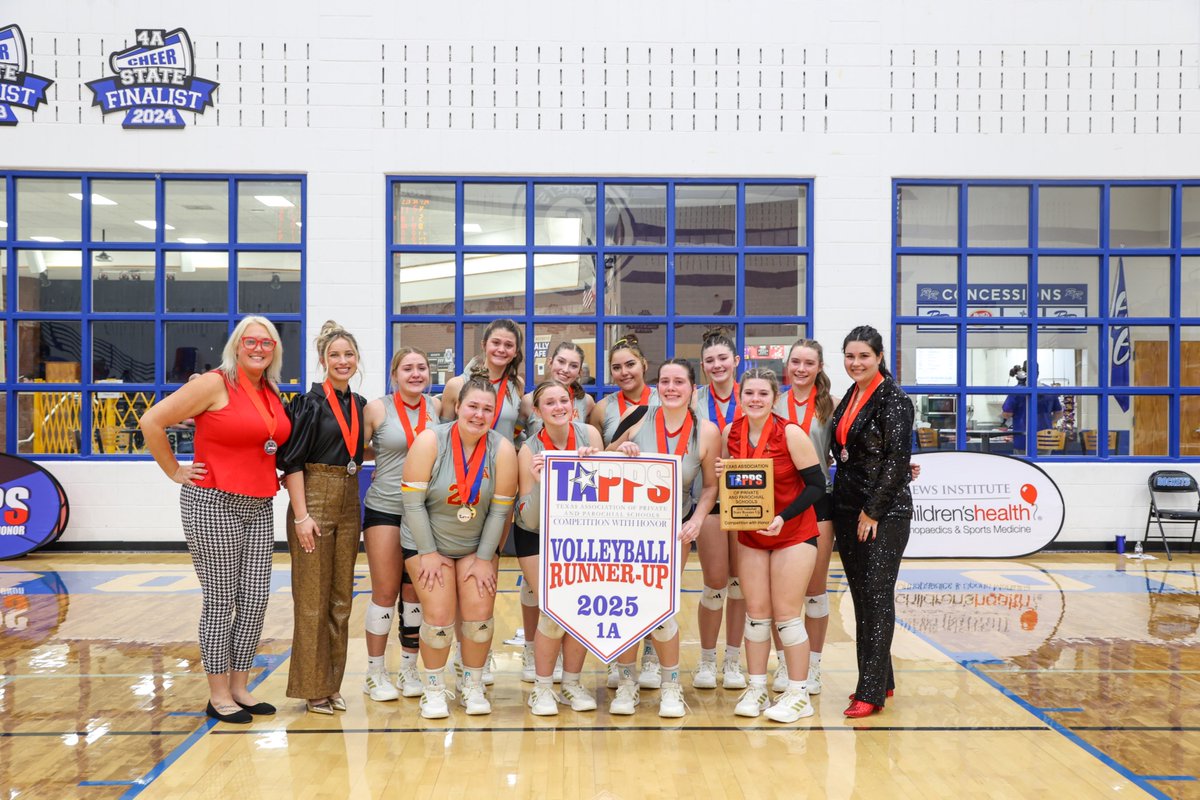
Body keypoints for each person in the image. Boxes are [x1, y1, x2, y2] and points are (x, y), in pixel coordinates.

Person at [139, 316, 292, 724]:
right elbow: (150, 421)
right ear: (236, 345)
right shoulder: (212, 383)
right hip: (213, 501)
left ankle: (241, 687)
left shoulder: (270, 389)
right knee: (222, 601)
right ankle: (218, 692)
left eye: (267, 342)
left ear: (274, 349)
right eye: (250, 341)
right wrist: (174, 470)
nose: (258, 348)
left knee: (256, 599)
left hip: (259, 504)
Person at [606, 358, 720, 718]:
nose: (671, 388)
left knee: (661, 608)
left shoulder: (708, 431)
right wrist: (619, 451)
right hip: (628, 528)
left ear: (692, 389)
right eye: (665, 382)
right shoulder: (639, 417)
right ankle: (626, 684)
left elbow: (711, 486)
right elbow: (601, 459)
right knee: (626, 605)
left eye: (679, 382)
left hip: (675, 529)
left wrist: (698, 521)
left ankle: (671, 686)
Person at [401, 374, 518, 718]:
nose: (479, 415)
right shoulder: (430, 441)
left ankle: (472, 684)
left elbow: (500, 510)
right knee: (437, 619)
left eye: (487, 408)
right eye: (472, 406)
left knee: (479, 617)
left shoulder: (503, 449)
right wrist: (428, 552)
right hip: (427, 542)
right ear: (457, 406)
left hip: (475, 546)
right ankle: (434, 690)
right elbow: (412, 504)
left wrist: (485, 559)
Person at [721, 368, 826, 722]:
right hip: (751, 533)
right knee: (756, 616)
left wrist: (783, 516)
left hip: (793, 533)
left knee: (786, 617)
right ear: (740, 396)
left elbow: (816, 484)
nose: (754, 399)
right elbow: (731, 481)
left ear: (773, 397)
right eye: (748, 393)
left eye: (762, 394)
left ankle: (798, 694)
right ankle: (756, 687)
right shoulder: (730, 433)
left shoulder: (791, 433)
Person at [276, 321, 368, 714]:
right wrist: (301, 516)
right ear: (322, 360)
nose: (342, 361)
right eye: (335, 355)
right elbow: (292, 461)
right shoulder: (309, 403)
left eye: (348, 355)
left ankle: (331, 683)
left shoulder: (360, 404)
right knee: (312, 600)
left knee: (341, 600)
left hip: (350, 497)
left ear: (357, 359)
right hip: (313, 495)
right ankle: (312, 688)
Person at [830, 325, 915, 718]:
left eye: (863, 356)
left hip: (882, 513)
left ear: (879, 357)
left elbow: (896, 460)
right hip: (849, 509)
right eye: (850, 356)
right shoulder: (851, 394)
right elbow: (850, 452)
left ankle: (870, 692)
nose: (855, 362)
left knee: (877, 598)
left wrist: (873, 511)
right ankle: (884, 678)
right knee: (863, 597)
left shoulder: (894, 401)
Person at [439, 319, 525, 683]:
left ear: (515, 351)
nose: (502, 350)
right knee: (455, 571)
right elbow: (443, 431)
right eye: (497, 343)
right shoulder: (457, 385)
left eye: (509, 345)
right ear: (485, 344)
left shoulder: (517, 387)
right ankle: (462, 653)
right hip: (460, 485)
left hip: (499, 483)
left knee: (484, 570)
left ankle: (475, 654)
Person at [516, 380, 604, 715]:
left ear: (573, 404)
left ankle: (571, 682)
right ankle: (542, 688)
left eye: (563, 400)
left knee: (578, 610)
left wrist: (598, 463)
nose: (558, 407)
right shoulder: (529, 450)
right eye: (549, 403)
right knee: (553, 610)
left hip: (580, 533)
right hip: (536, 535)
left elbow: (607, 494)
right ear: (537, 412)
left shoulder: (590, 436)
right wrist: (540, 484)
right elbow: (528, 517)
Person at [360, 347, 441, 702]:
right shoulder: (377, 408)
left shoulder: (436, 408)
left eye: (422, 367)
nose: (416, 373)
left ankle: (409, 668)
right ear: (395, 374)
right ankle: (375, 672)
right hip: (387, 508)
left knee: (415, 594)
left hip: (425, 512)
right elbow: (357, 449)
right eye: (407, 368)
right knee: (385, 592)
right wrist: (388, 462)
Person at [772, 338, 838, 696]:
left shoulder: (832, 406)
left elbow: (853, 451)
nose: (800, 368)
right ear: (787, 365)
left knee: (814, 591)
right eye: (795, 361)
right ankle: (784, 663)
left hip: (817, 502)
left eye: (808, 363)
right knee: (780, 593)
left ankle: (813, 665)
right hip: (779, 503)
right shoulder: (772, 401)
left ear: (819, 366)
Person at [689, 328, 748, 692]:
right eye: (709, 360)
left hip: (747, 500)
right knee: (714, 584)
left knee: (740, 586)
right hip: (707, 499)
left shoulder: (754, 395)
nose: (717, 365)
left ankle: (734, 660)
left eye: (723, 358)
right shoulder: (693, 399)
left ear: (736, 361)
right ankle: (707, 660)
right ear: (703, 365)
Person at [590, 334, 659, 446]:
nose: (624, 372)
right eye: (617, 367)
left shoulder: (662, 400)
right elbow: (596, 458)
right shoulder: (601, 409)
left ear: (644, 365)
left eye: (630, 365)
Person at [1000, 362, 1063, 452]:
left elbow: (1006, 414)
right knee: (1044, 465)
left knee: (1023, 465)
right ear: (1038, 373)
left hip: (1023, 440)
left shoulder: (1016, 391)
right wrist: (1046, 421)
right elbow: (1059, 414)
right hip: (1045, 440)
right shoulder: (1049, 391)